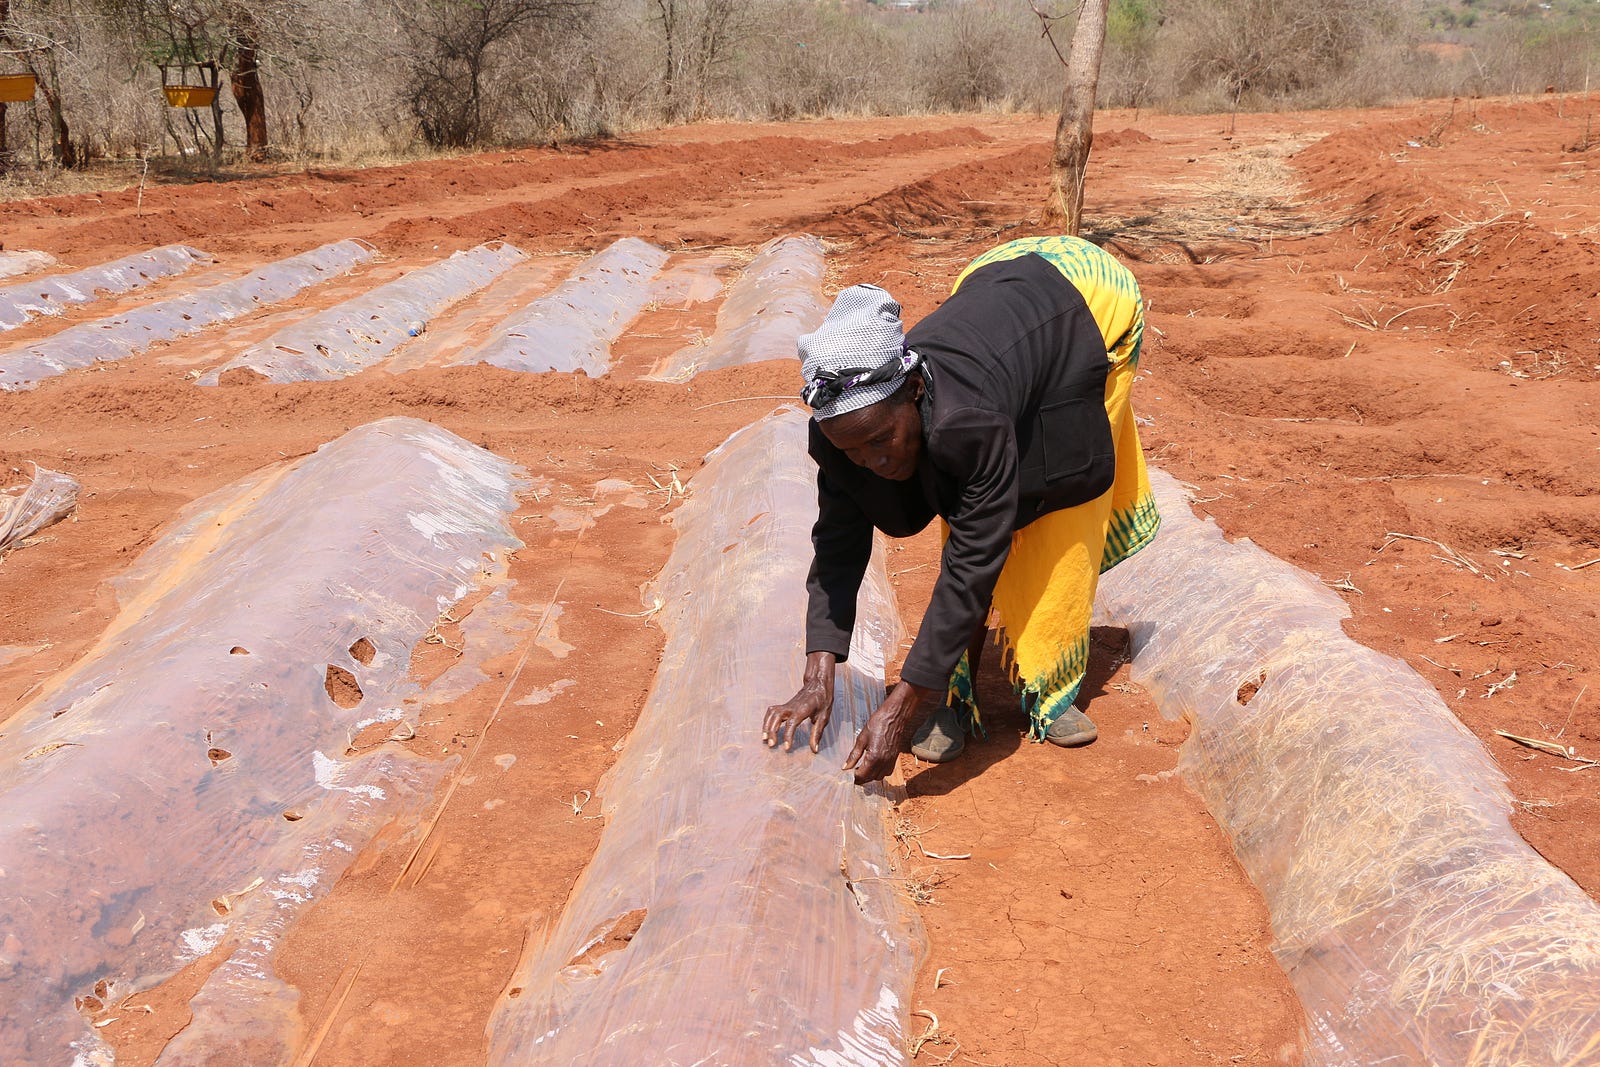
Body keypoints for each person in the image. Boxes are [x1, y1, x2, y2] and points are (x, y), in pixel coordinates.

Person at [762, 235, 1161, 786]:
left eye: (882, 439)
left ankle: (1048, 687)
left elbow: (973, 560)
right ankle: (954, 689)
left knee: (1054, 512)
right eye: (854, 451)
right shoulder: (842, 436)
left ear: (916, 390)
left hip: (1089, 302)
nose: (872, 461)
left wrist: (901, 708)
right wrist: (818, 670)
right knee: (965, 504)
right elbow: (837, 543)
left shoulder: (965, 422)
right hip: (992, 285)